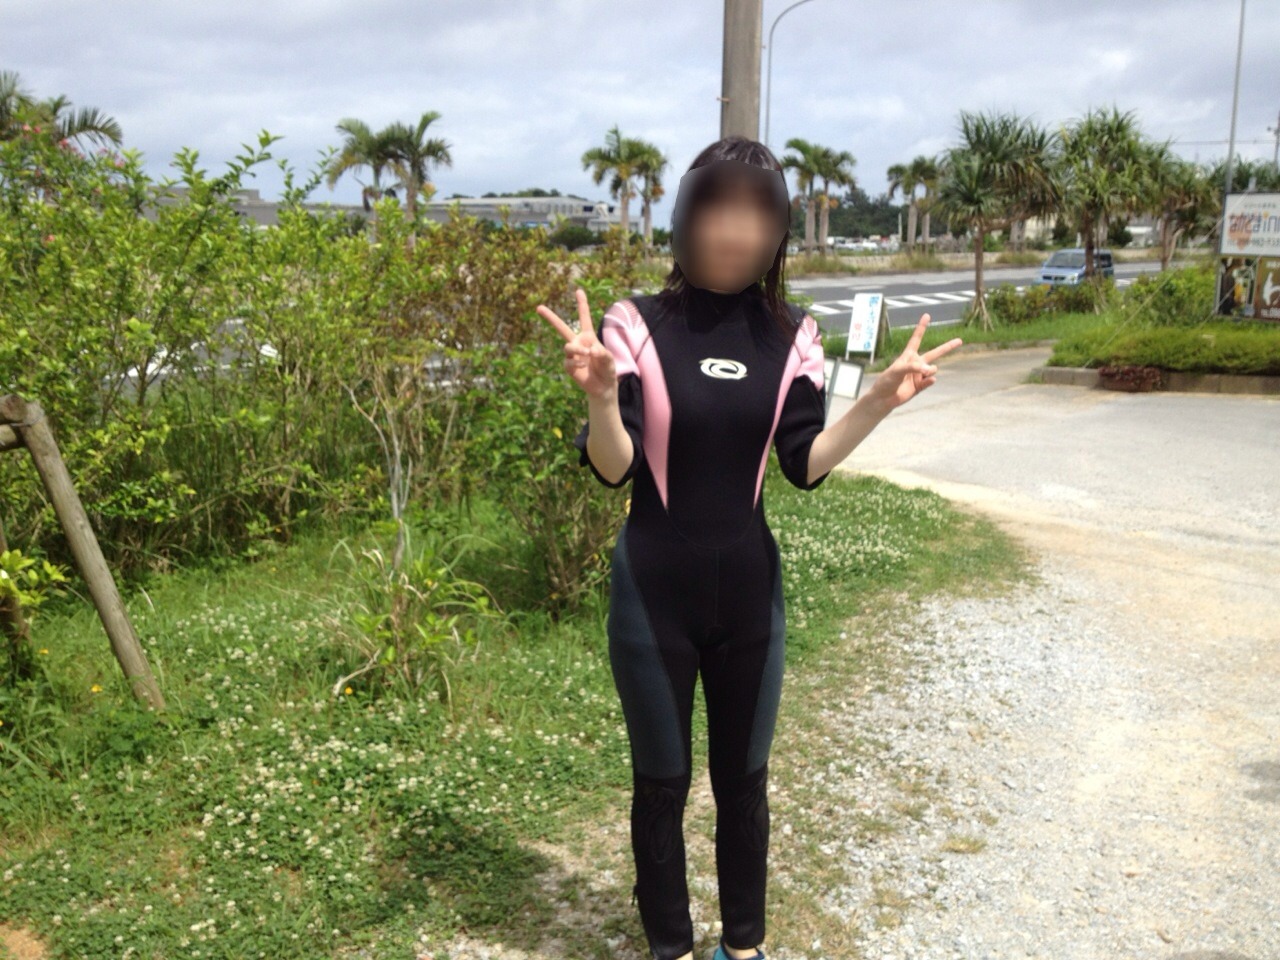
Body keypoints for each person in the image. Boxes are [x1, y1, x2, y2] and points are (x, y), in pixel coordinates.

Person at [536, 135, 963, 960]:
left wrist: (875, 403)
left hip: (749, 600)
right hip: (653, 597)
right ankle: (670, 947)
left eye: (756, 215)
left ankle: (745, 947)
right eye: (719, 209)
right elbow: (616, 469)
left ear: (778, 232)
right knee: (661, 787)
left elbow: (804, 464)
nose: (736, 230)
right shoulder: (635, 323)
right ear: (686, 217)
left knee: (744, 787)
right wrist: (600, 400)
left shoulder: (793, 333)